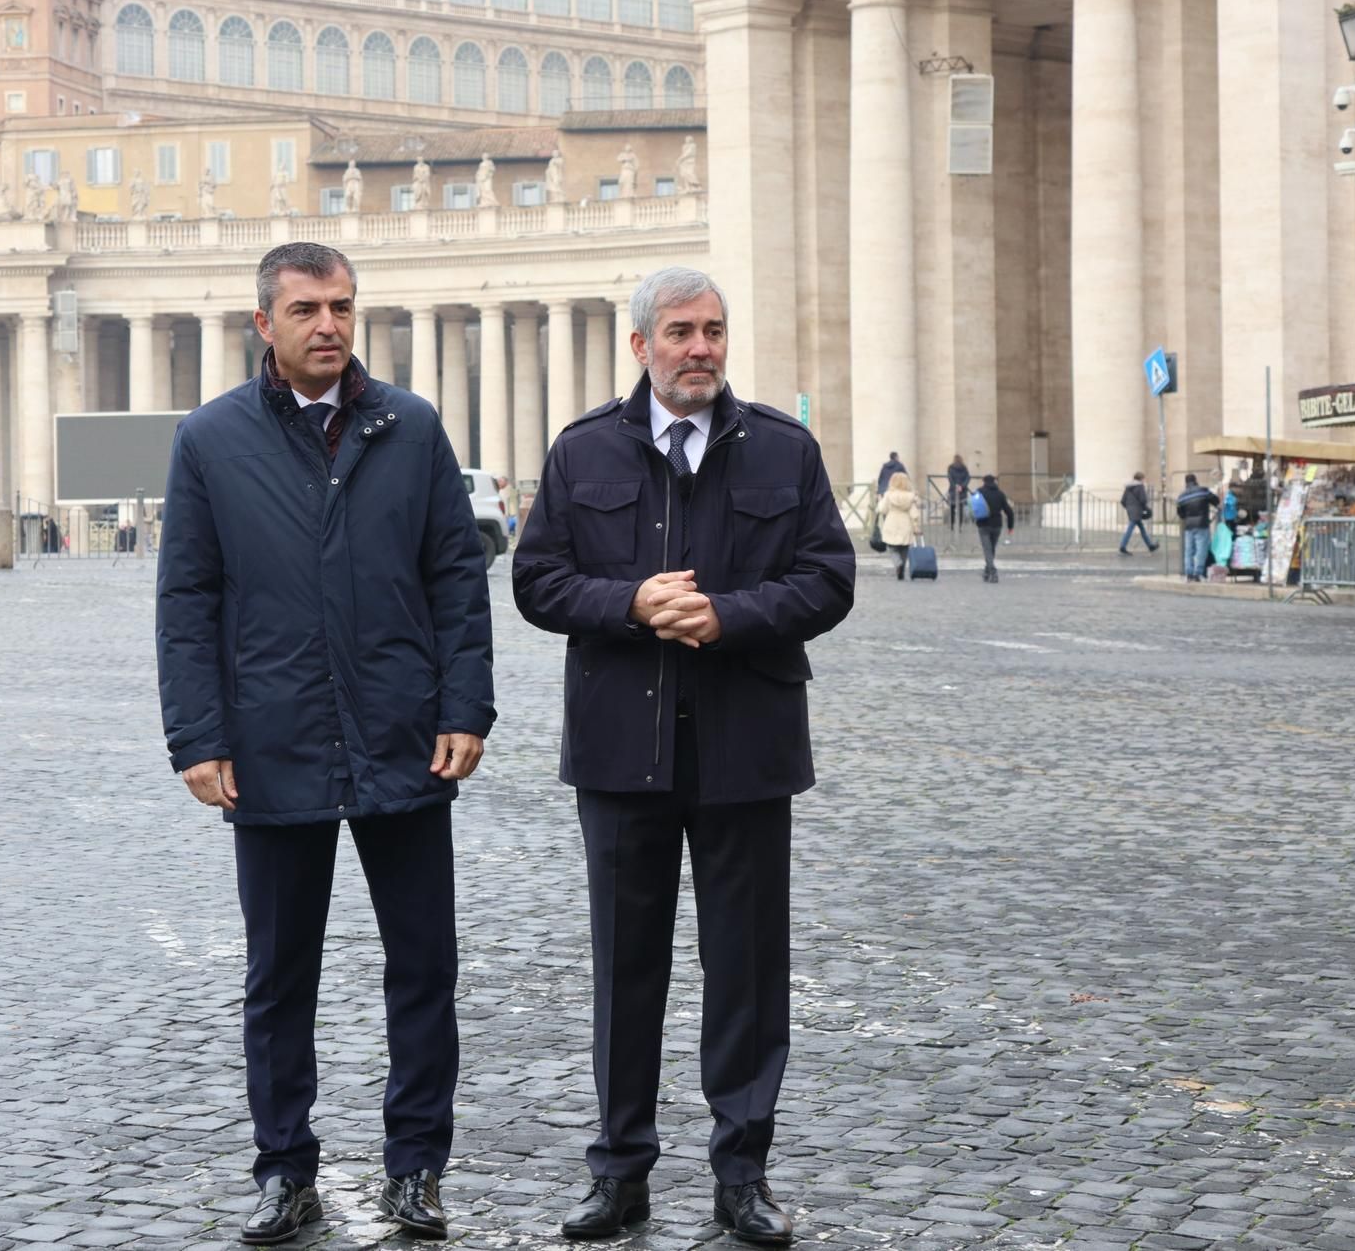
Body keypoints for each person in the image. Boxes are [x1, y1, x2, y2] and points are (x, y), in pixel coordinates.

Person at [156, 243, 494, 1246]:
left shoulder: (413, 426)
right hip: (269, 740)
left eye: (341, 305)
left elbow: (455, 579)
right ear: (263, 322)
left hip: (403, 736)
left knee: (423, 966)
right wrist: (196, 734)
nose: (327, 324)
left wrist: (465, 707)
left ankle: (416, 1167)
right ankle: (281, 1169)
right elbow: (187, 601)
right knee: (278, 974)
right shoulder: (209, 440)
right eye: (304, 307)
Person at [512, 266, 854, 1246]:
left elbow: (827, 579)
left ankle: (740, 1174)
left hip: (747, 747)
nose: (698, 347)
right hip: (622, 750)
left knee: (745, 970)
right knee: (626, 970)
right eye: (677, 332)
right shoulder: (583, 452)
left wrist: (728, 615)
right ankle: (617, 1170)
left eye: (711, 330)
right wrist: (628, 603)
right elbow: (536, 580)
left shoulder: (782, 452)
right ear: (639, 347)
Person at [972, 474, 1015, 583]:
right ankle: (987, 572)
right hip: (997, 525)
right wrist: (1010, 526)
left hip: (983, 525)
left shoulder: (979, 492)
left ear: (984, 481)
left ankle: (993, 571)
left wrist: (974, 519)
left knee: (987, 550)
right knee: (991, 549)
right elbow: (1009, 511)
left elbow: (973, 507)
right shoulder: (1000, 494)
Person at [878, 472, 922, 580]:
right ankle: (902, 565)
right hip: (905, 522)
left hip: (891, 521)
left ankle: (898, 564)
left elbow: (882, 509)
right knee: (904, 547)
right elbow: (914, 513)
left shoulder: (889, 495)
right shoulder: (911, 497)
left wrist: (880, 501)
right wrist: (916, 525)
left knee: (892, 547)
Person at [1175, 473, 1218, 581]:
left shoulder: (1182, 496)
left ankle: (1188, 573)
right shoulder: (1203, 491)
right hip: (1202, 524)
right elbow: (1216, 500)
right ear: (1196, 480)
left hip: (1189, 526)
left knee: (1188, 550)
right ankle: (1198, 573)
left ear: (1186, 483)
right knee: (1201, 549)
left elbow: (1180, 513)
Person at [1119, 473, 1159, 555]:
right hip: (1137, 510)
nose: (1144, 481)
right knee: (1130, 528)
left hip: (1130, 510)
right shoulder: (1140, 487)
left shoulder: (1128, 487)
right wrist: (1146, 509)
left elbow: (1123, 500)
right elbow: (1143, 499)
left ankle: (1150, 545)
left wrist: (1129, 507)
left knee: (1142, 528)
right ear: (1141, 479)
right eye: (1144, 479)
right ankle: (1122, 546)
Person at [946, 454, 970, 525]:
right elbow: (968, 478)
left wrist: (955, 486)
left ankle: (952, 525)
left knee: (952, 508)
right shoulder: (964, 468)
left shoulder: (950, 468)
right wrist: (962, 486)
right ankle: (959, 526)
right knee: (960, 509)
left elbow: (950, 478)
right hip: (962, 491)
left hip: (953, 490)